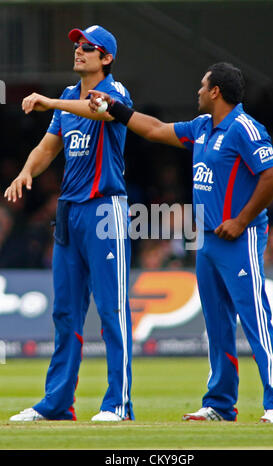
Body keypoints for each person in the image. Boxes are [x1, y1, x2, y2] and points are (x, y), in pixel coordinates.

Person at [88, 61, 273, 424]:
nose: (198, 92)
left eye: (203, 86)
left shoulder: (245, 128)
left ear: (216, 91)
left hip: (239, 238)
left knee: (255, 319)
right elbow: (154, 129)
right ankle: (219, 403)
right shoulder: (202, 127)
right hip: (207, 240)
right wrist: (115, 108)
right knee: (217, 325)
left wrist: (241, 220)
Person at [6, 25, 134, 422]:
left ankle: (118, 402)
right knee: (64, 312)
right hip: (69, 211)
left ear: (106, 58)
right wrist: (26, 171)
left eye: (88, 48)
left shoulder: (117, 92)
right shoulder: (65, 97)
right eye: (77, 46)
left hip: (104, 211)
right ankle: (57, 403)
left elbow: (98, 110)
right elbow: (49, 146)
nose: (78, 52)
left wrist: (48, 101)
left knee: (112, 309)